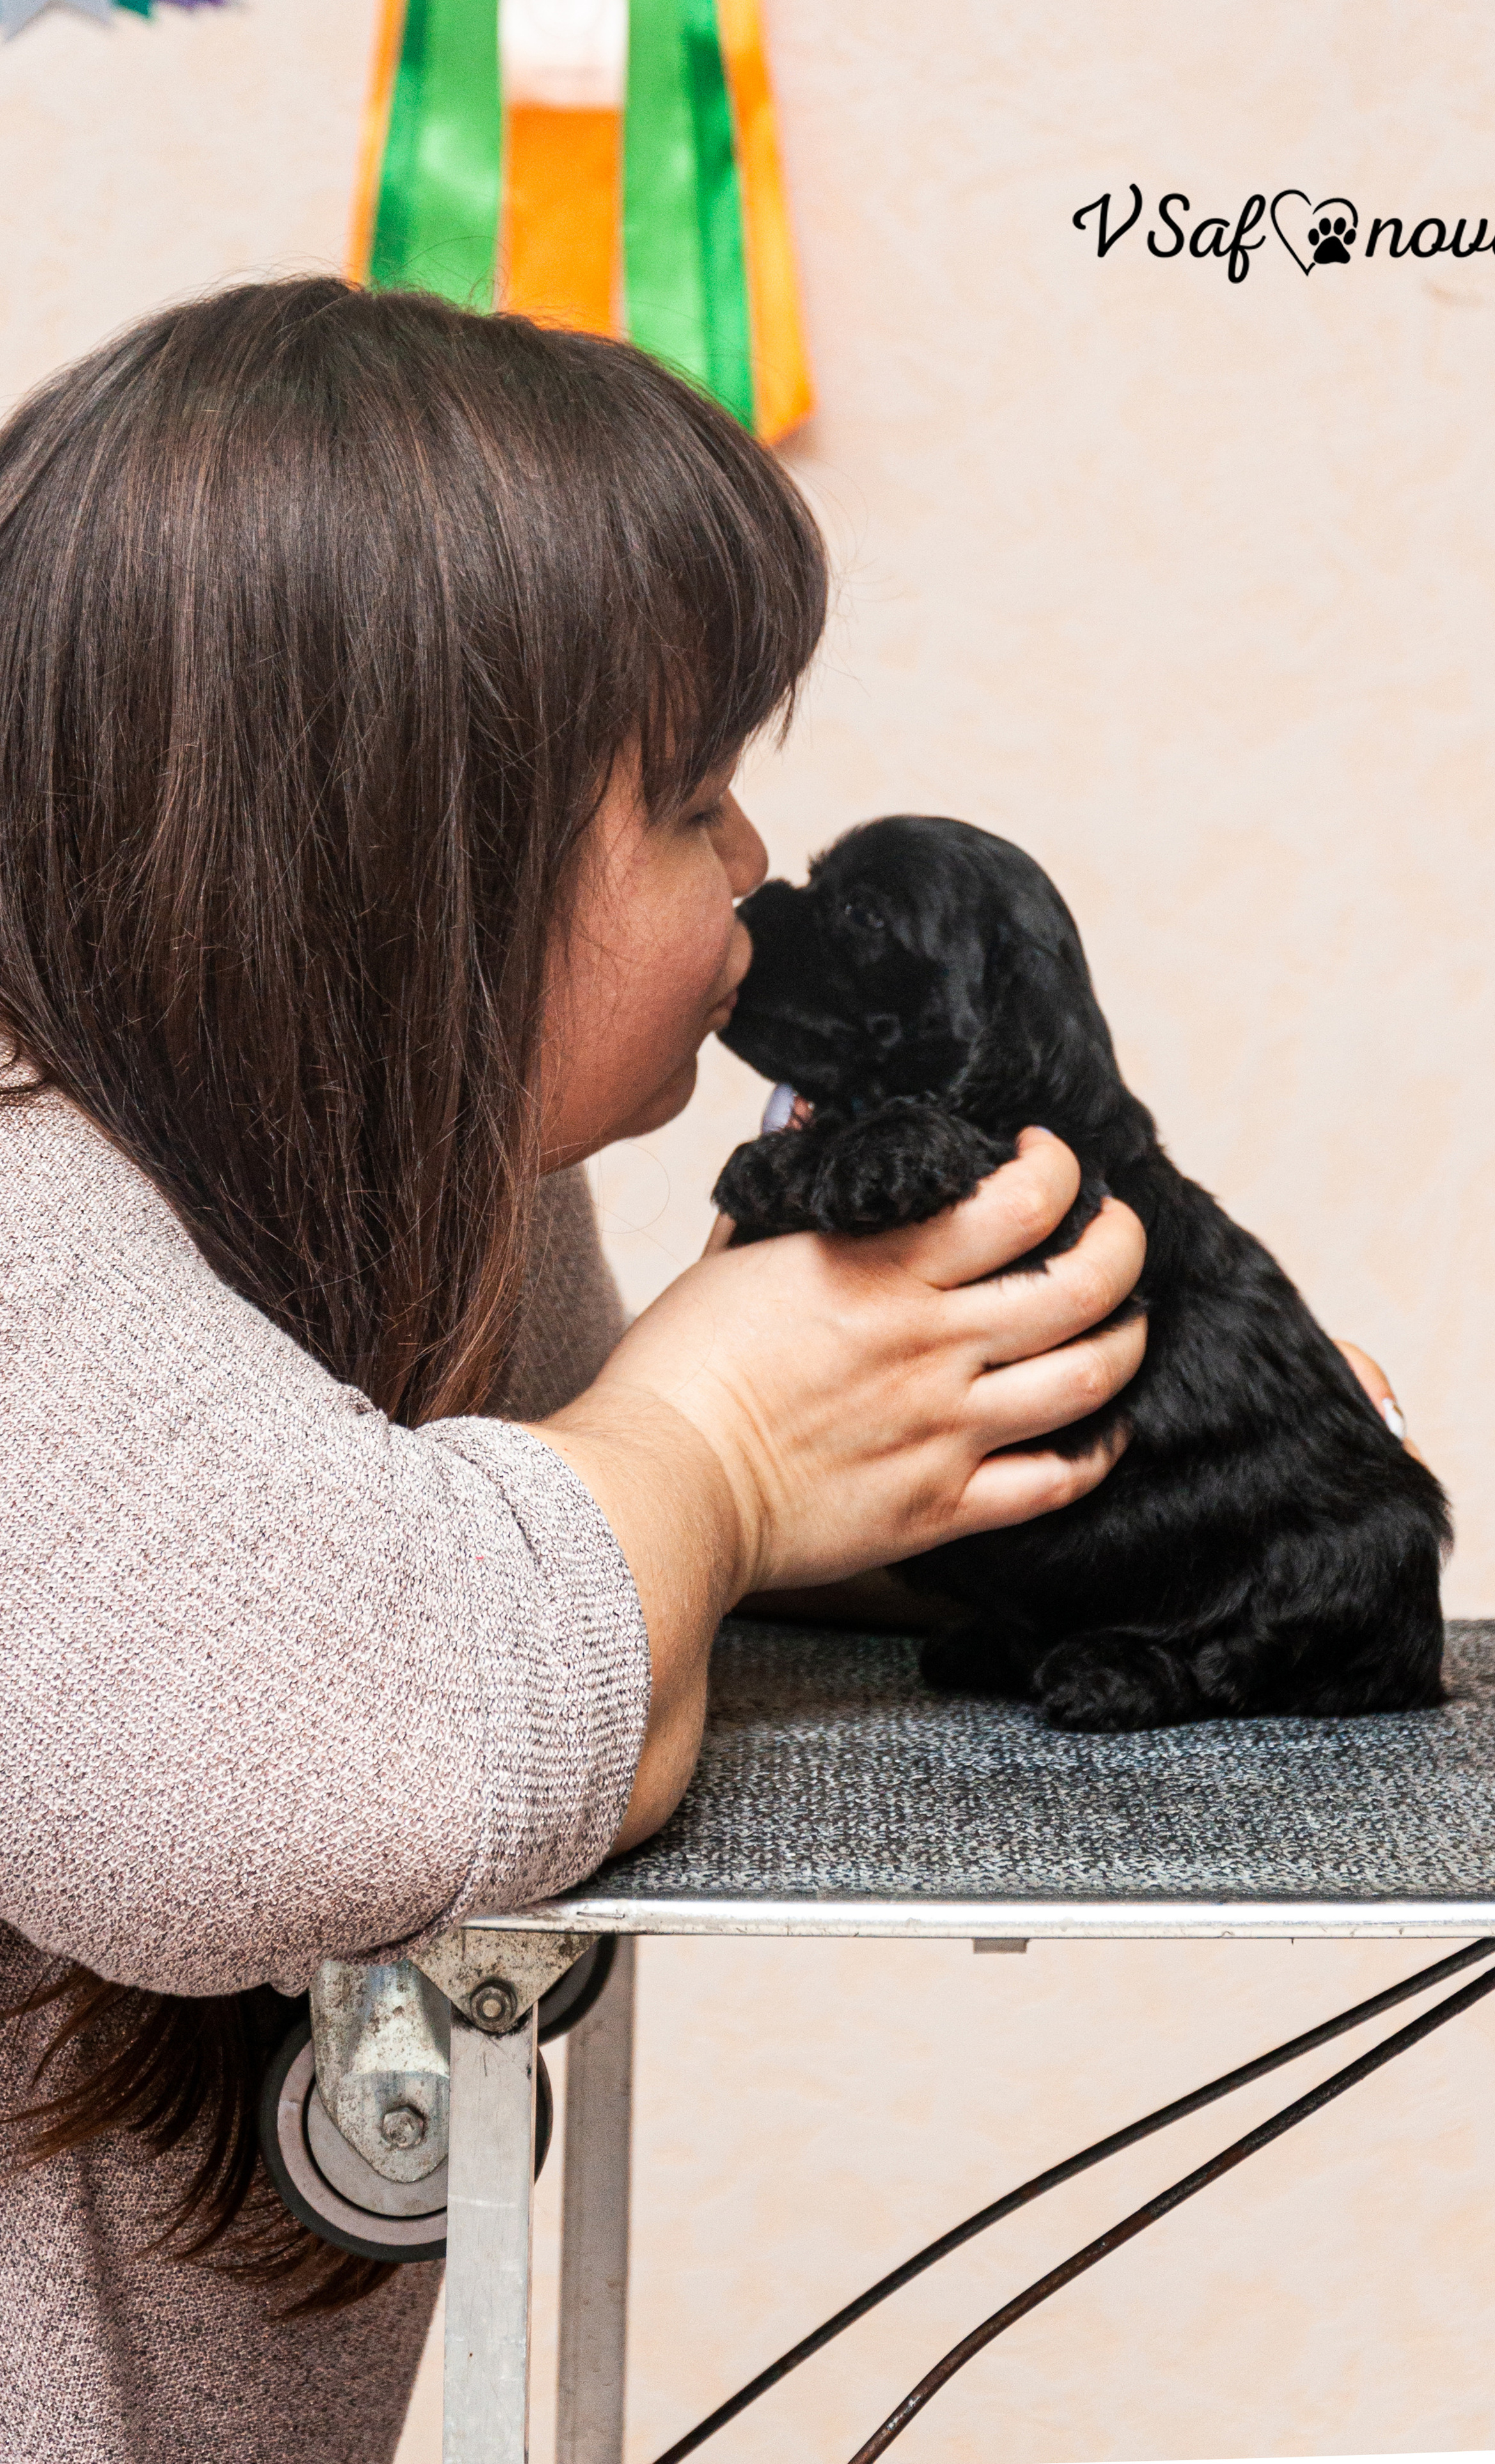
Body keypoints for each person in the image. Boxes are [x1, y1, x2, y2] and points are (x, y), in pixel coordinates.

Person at [0, 281, 1151, 2464]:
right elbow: (297, 1766)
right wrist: (716, 1438)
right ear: (396, 868)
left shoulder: (451, 1190)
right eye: (699, 797)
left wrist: (993, 1447)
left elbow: (556, 1585)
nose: (755, 869)